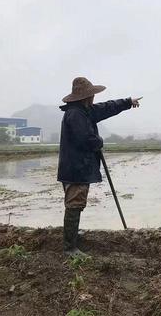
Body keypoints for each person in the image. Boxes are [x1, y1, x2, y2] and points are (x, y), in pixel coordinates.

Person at [57, 77, 141, 257]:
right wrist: (99, 141)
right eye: (92, 95)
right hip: (75, 168)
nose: (94, 98)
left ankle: (72, 237)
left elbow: (106, 108)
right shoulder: (76, 115)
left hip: (78, 167)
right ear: (86, 97)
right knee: (74, 203)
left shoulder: (85, 111)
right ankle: (69, 247)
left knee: (76, 202)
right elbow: (85, 139)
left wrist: (127, 102)